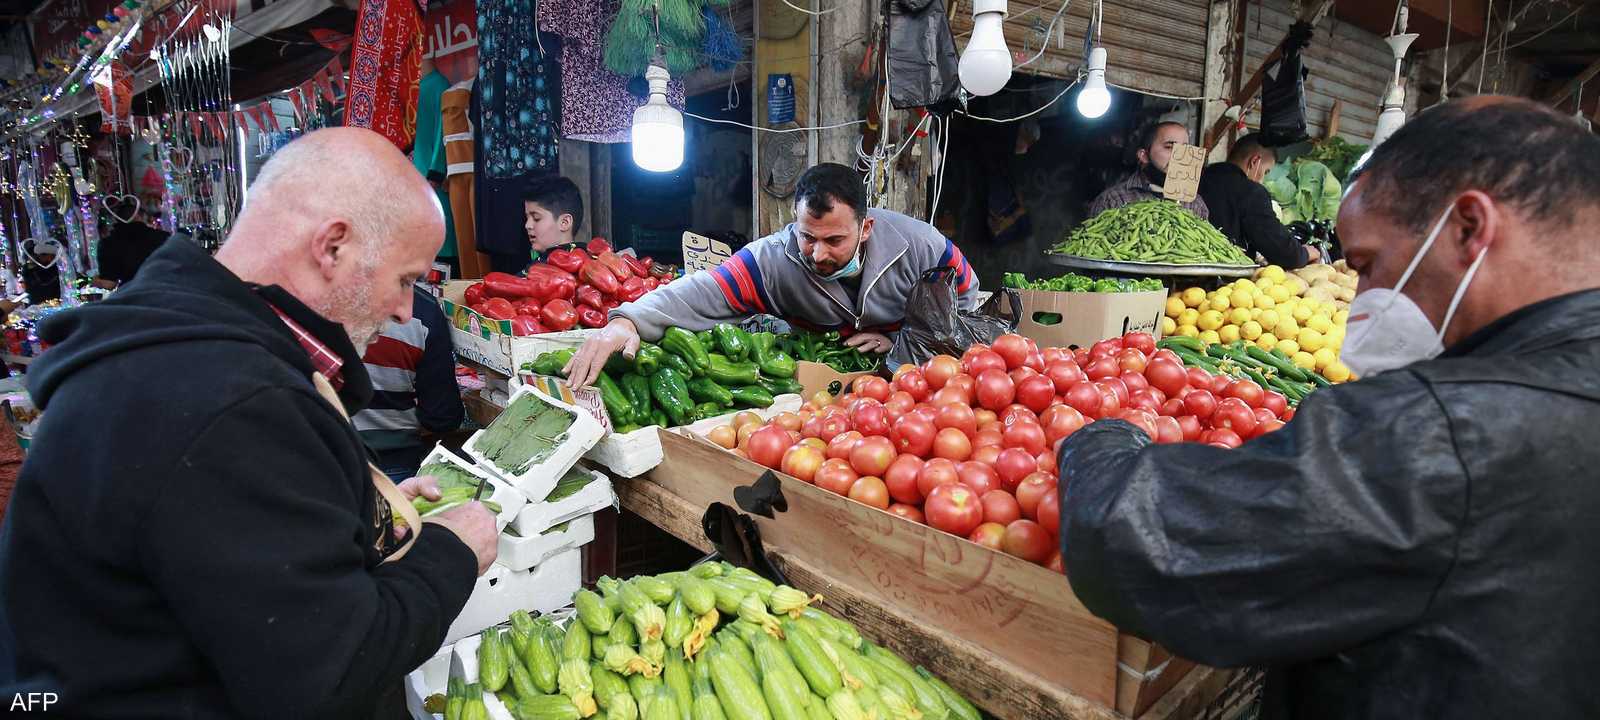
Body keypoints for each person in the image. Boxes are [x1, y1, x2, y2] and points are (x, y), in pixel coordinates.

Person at [1055, 97, 1600, 719]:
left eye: (1367, 264)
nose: (1360, 295)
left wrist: (1098, 436)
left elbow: (1131, 538)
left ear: (1470, 229)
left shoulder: (1442, 431)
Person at [0, 128, 498, 718]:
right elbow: (330, 673)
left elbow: (222, 550)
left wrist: (350, 508)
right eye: (406, 279)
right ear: (333, 246)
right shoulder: (230, 400)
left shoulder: (192, 346)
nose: (403, 310)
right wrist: (452, 553)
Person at [565, 162, 979, 388]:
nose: (818, 254)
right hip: (827, 394)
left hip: (915, 390)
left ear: (865, 228)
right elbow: (703, 292)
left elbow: (966, 307)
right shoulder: (772, 262)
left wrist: (902, 340)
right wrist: (627, 320)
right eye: (807, 237)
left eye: (834, 240)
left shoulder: (922, 248)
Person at [353, 284, 467, 482]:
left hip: (318, 460)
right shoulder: (422, 309)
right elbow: (442, 417)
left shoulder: (303, 297)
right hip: (394, 463)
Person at [1198, 133, 1318, 269]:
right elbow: (1281, 249)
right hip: (1224, 281)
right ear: (1254, 161)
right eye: (1266, 171)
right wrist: (1304, 253)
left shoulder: (1198, 178)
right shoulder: (1251, 192)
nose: (1263, 179)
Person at [1087, 121, 1210, 220]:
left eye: (1185, 148)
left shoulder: (1195, 204)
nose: (1179, 155)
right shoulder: (1113, 200)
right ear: (1144, 155)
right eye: (1169, 147)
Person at [93, 201, 170, 289]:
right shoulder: (163, 237)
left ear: (116, 219)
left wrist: (95, 281)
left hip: (132, 296)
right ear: (139, 216)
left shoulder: (107, 243)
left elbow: (109, 284)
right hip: (164, 292)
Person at [523, 175, 584, 254]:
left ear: (564, 222)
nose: (527, 225)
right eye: (527, 218)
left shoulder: (594, 264)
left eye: (536, 218)